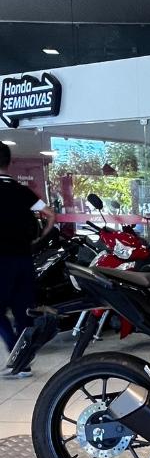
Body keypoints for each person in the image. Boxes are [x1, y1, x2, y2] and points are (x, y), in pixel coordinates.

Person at [0, 143, 55, 376]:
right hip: (24, 258)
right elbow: (50, 214)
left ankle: (17, 357)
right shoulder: (22, 191)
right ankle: (23, 361)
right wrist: (38, 240)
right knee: (23, 313)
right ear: (9, 162)